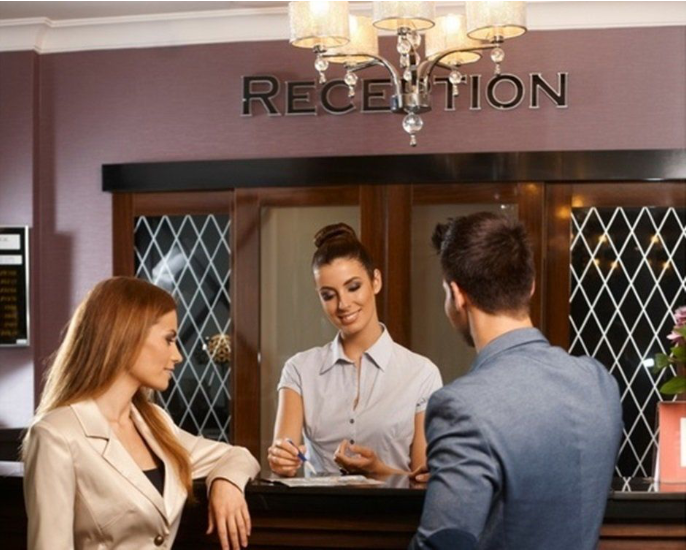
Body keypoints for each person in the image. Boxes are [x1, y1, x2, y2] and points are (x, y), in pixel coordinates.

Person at [410, 213, 623, 550]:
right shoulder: (599, 383)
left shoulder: (461, 407)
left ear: (457, 295)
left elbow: (441, 545)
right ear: (530, 285)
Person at [22, 277, 260, 550]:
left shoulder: (155, 423)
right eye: (169, 340)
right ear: (127, 336)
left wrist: (226, 483)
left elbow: (238, 456)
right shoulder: (55, 435)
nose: (178, 356)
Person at [267, 223, 442, 477]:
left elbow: (426, 482)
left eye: (353, 287)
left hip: (393, 505)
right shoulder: (299, 370)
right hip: (315, 504)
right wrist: (281, 460)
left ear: (375, 281)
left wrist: (378, 470)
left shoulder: (422, 374)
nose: (343, 304)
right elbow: (284, 464)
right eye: (328, 295)